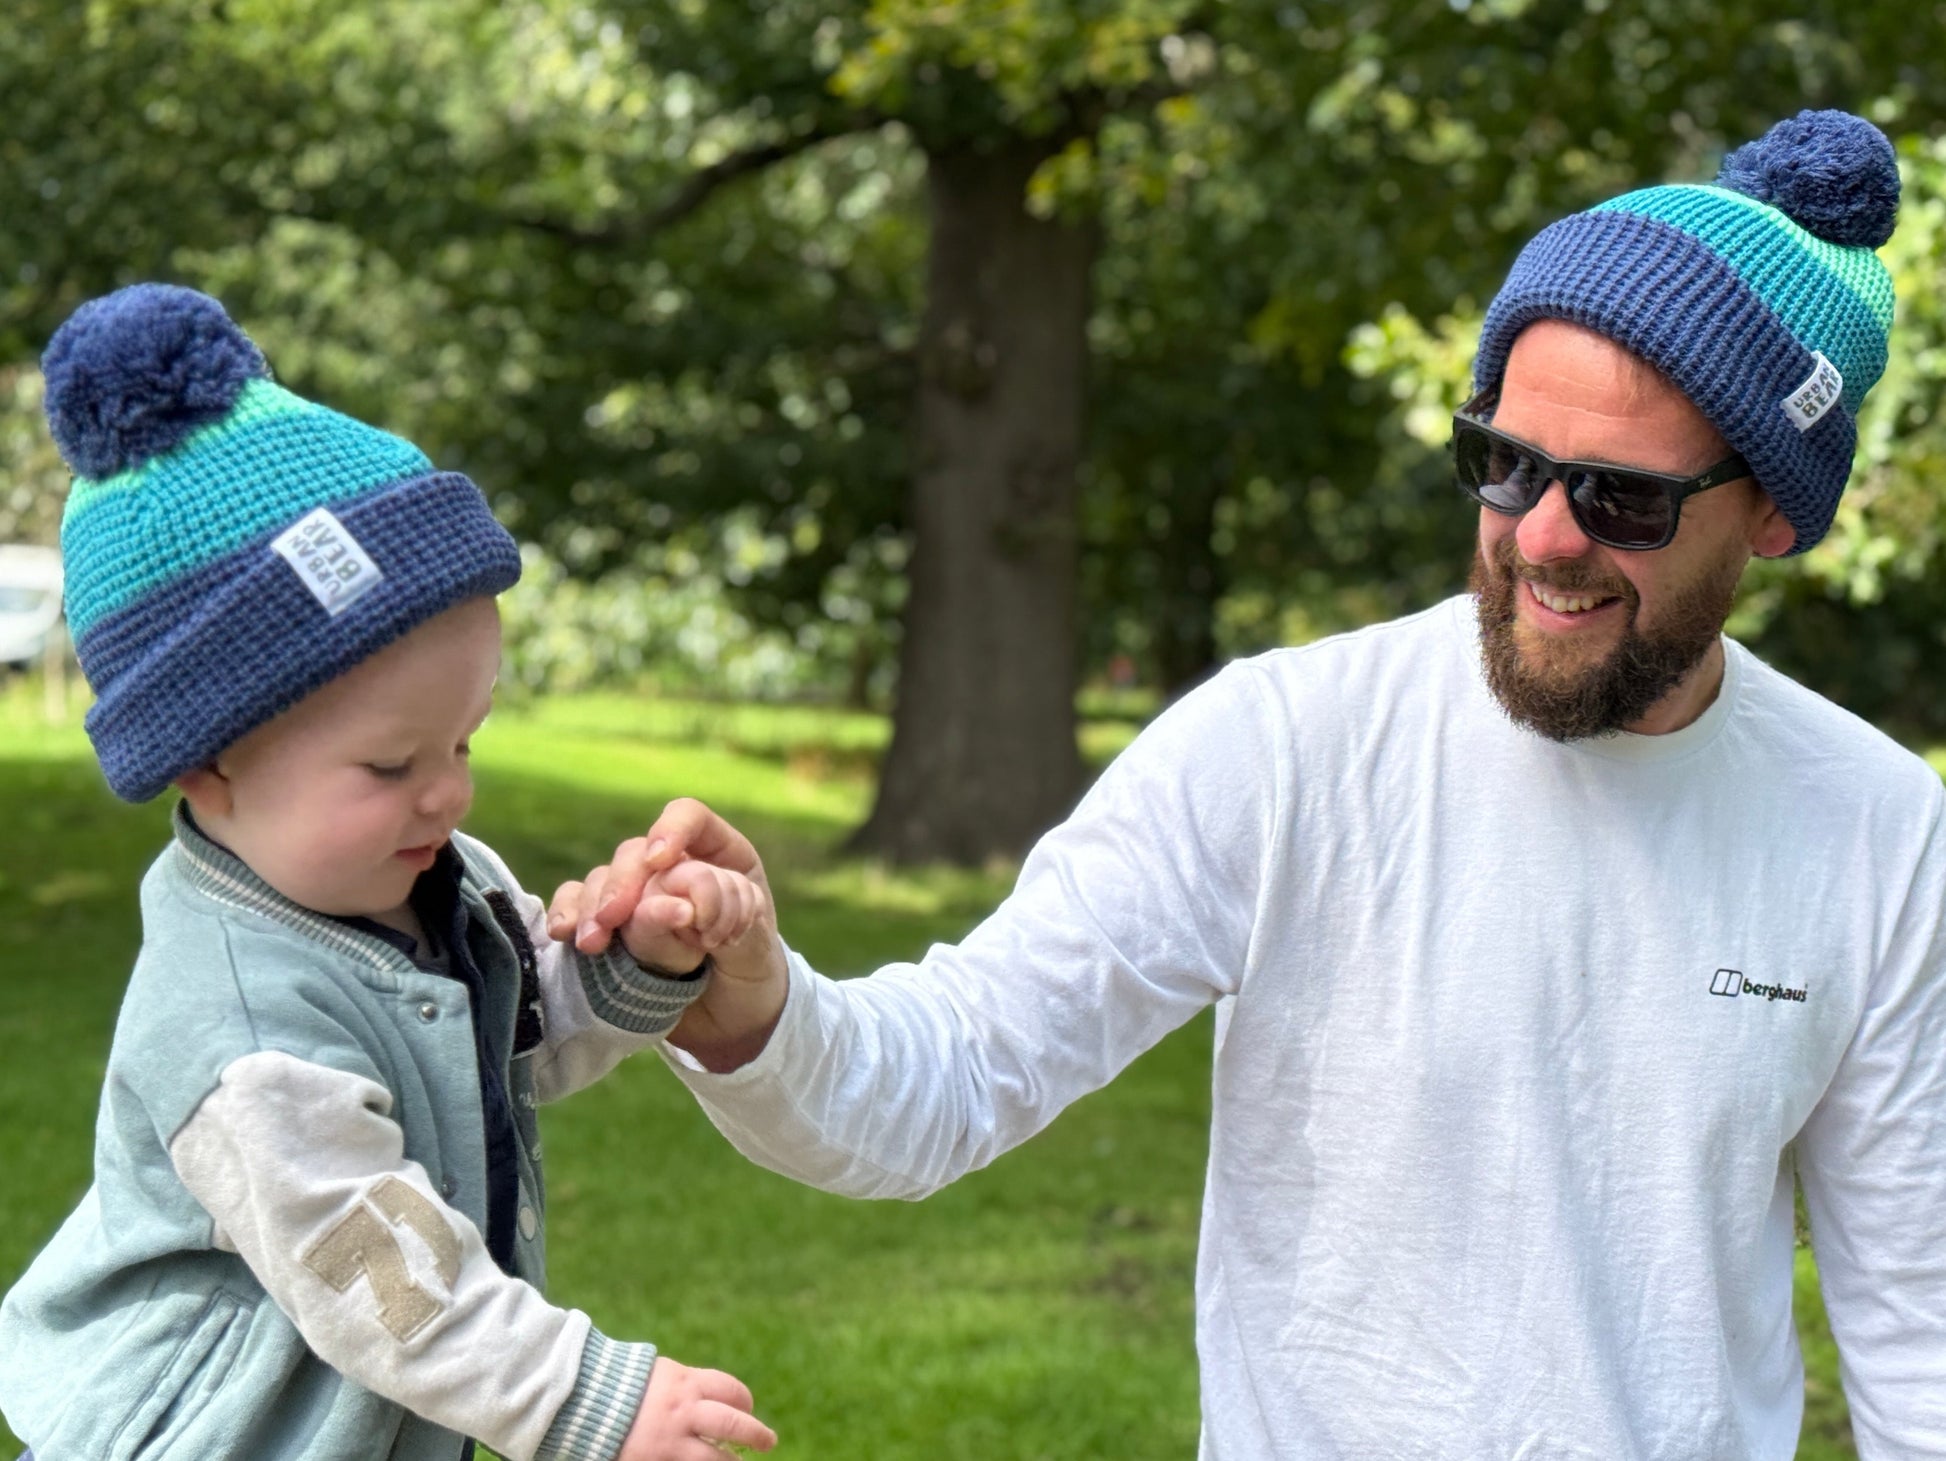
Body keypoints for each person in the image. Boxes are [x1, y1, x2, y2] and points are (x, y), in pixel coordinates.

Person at [558, 110, 1946, 1457]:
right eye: (1501, 463)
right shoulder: (1286, 749)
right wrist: (755, 1003)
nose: (1540, 535)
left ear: (1770, 509)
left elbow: (1917, 1339)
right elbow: (947, 1075)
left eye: (1620, 499)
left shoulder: (1879, 833)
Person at [0, 285, 780, 1461]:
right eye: (389, 762)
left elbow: (509, 1037)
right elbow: (379, 1273)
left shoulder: (420, 877)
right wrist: (583, 1398)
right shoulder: (239, 1035)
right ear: (206, 766)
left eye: (463, 742)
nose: (448, 793)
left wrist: (640, 959)